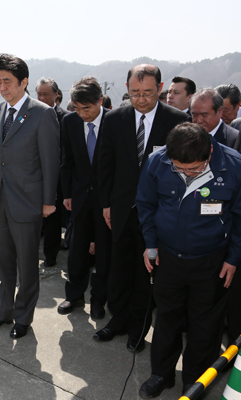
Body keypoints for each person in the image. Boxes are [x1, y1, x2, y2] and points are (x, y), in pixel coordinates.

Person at [136, 122, 241, 398]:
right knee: (167, 317)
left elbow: (240, 217)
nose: (186, 174)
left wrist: (233, 258)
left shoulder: (233, 165)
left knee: (205, 324)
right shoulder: (157, 161)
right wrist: (150, 244)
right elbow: (146, 204)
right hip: (168, 258)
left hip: (212, 261)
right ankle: (161, 374)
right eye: (179, 169)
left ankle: (195, 382)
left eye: (193, 169)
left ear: (208, 153)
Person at [96, 64, 190, 353]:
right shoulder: (114, 118)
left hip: (158, 213)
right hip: (121, 209)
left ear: (160, 89)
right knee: (119, 268)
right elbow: (104, 163)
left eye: (148, 93)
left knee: (145, 275)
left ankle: (138, 328)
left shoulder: (176, 120)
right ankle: (118, 320)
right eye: (135, 93)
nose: (141, 99)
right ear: (127, 89)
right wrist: (106, 203)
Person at [0, 53, 59, 339]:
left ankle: (23, 317)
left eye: (9, 81)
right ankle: (3, 312)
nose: (3, 87)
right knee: (3, 264)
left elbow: (51, 160)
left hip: (26, 201)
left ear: (24, 82)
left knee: (27, 265)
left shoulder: (42, 113)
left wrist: (48, 201)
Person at [58, 77, 111, 319]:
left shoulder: (115, 121)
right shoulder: (69, 122)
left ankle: (99, 300)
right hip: (79, 196)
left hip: (106, 199)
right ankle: (74, 295)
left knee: (104, 251)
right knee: (76, 250)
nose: (82, 114)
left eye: (87, 108)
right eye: (77, 109)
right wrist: (67, 193)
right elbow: (67, 161)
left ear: (100, 101)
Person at [35, 77, 67, 265]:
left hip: (56, 178)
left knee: (53, 221)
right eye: (39, 93)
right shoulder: (30, 114)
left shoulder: (66, 118)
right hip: (34, 177)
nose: (42, 97)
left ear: (56, 95)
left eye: (46, 94)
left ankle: (50, 256)